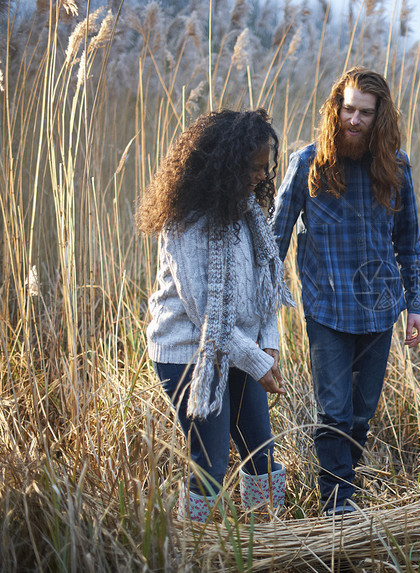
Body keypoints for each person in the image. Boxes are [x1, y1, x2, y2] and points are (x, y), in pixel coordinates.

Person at [272, 67, 420, 516]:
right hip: (327, 311)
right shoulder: (307, 164)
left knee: (361, 415)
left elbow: (409, 245)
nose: (353, 120)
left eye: (364, 112)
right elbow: (274, 243)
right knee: (334, 412)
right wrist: (265, 310)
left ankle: (344, 485)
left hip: (380, 312)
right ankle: (338, 502)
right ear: (335, 110)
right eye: (347, 109)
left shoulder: (396, 168)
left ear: (380, 117)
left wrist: (416, 306)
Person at [136, 109, 295, 523]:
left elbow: (266, 288)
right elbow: (207, 313)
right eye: (255, 167)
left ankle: (265, 538)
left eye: (266, 167)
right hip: (188, 352)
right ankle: (197, 544)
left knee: (261, 450)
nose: (263, 176)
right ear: (226, 164)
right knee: (209, 461)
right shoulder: (184, 222)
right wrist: (258, 362)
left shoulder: (247, 214)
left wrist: (269, 343)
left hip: (238, 347)